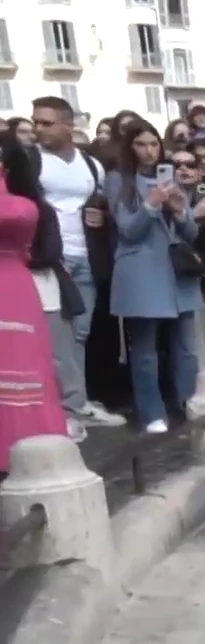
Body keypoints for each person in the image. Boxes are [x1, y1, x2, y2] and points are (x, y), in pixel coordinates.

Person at [29, 96, 120, 432]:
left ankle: (77, 402)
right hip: (51, 260)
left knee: (80, 334)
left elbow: (98, 201)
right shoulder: (31, 161)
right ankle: (64, 409)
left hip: (86, 255)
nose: (39, 129)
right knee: (57, 338)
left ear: (69, 125)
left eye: (47, 123)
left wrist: (101, 216)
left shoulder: (90, 164)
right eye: (36, 122)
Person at [105, 122, 203, 434]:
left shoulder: (171, 178)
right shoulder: (119, 180)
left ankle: (190, 402)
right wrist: (151, 204)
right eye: (140, 144)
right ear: (129, 148)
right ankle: (152, 412)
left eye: (153, 144)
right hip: (141, 273)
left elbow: (191, 233)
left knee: (186, 347)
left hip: (178, 274)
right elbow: (128, 230)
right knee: (144, 350)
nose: (149, 151)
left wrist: (179, 211)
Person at [0, 140, 73, 466]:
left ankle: (28, 440)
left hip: (12, 284)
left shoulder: (23, 206)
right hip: (14, 282)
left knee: (21, 361)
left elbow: (15, 216)